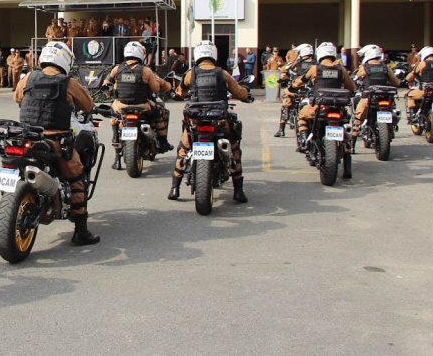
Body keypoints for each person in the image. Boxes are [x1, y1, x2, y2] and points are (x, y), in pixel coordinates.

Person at [14, 41, 99, 246]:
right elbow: (87, 105)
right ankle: (81, 230)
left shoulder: (28, 78)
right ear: (64, 61)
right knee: (77, 177)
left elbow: (18, 99)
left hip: (27, 139)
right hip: (55, 142)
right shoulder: (68, 83)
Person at [170, 41, 253, 202]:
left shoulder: (190, 73)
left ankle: (175, 188)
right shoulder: (222, 73)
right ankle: (238, 191)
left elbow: (180, 93)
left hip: (196, 121)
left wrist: (178, 94)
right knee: (234, 149)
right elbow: (240, 93)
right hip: (219, 121)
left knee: (183, 149)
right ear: (213, 55)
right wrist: (247, 93)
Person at [101, 41, 173, 169]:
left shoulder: (117, 69)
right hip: (142, 105)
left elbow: (106, 85)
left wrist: (112, 93)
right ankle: (163, 142)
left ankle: (117, 157)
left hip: (121, 106)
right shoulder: (145, 70)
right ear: (141, 54)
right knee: (160, 112)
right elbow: (155, 88)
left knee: (115, 121)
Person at [292, 43, 357, 167]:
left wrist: (292, 86)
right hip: (338, 108)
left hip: (319, 108)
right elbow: (350, 87)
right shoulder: (340, 69)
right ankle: (346, 148)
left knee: (302, 114)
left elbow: (301, 81)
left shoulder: (315, 68)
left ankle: (304, 139)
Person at [351, 44, 402, 144]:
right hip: (385, 97)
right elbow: (396, 82)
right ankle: (392, 126)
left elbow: (356, 79)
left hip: (369, 98)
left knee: (358, 117)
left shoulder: (365, 68)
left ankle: (352, 143)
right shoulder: (386, 68)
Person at [274, 44, 315, 137]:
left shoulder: (297, 62)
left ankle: (281, 129)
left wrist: (283, 76)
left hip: (297, 89)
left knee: (286, 102)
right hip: (310, 91)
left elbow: (285, 69)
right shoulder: (316, 63)